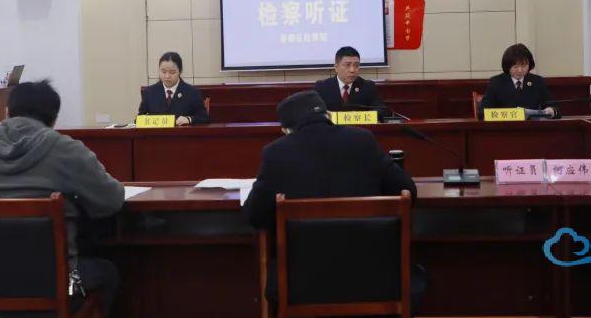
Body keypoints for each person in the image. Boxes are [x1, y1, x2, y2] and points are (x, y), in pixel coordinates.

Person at [0, 79, 124, 317]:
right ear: (53, 119)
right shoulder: (67, 150)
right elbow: (111, 200)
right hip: (55, 286)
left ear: (7, 112)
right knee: (107, 272)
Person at [243, 91, 423, 308]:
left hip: (302, 285)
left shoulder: (276, 153)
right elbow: (407, 190)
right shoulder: (363, 140)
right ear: (327, 115)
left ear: (286, 130)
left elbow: (256, 216)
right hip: (373, 278)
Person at [478, 43, 558, 119]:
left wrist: (551, 110)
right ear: (507, 66)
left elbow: (553, 107)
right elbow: (483, 111)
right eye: (516, 66)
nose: (520, 70)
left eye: (524, 66)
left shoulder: (537, 81)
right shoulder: (496, 82)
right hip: (504, 127)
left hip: (532, 126)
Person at [313, 46, 389, 117]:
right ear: (336, 67)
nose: (352, 70)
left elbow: (381, 110)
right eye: (347, 65)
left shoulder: (367, 86)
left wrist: (359, 116)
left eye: (356, 65)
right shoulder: (323, 87)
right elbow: (314, 112)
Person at [138, 51, 209, 126]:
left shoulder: (192, 92)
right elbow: (139, 119)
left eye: (172, 72)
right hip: (157, 133)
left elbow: (204, 117)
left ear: (180, 71)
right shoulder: (149, 92)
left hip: (182, 133)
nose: (167, 76)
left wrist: (189, 119)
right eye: (163, 72)